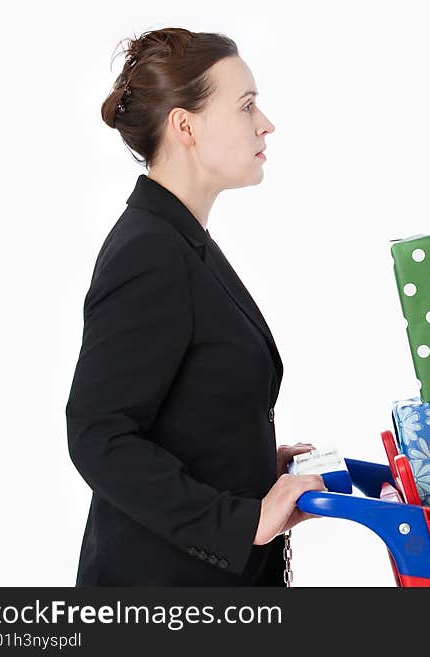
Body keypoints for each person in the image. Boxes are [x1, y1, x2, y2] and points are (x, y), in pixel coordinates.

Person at [65, 27, 327, 586]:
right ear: (185, 125)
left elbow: (182, 401)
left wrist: (252, 463)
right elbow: (99, 434)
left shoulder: (182, 240)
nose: (266, 124)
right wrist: (238, 521)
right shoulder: (148, 253)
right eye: (247, 106)